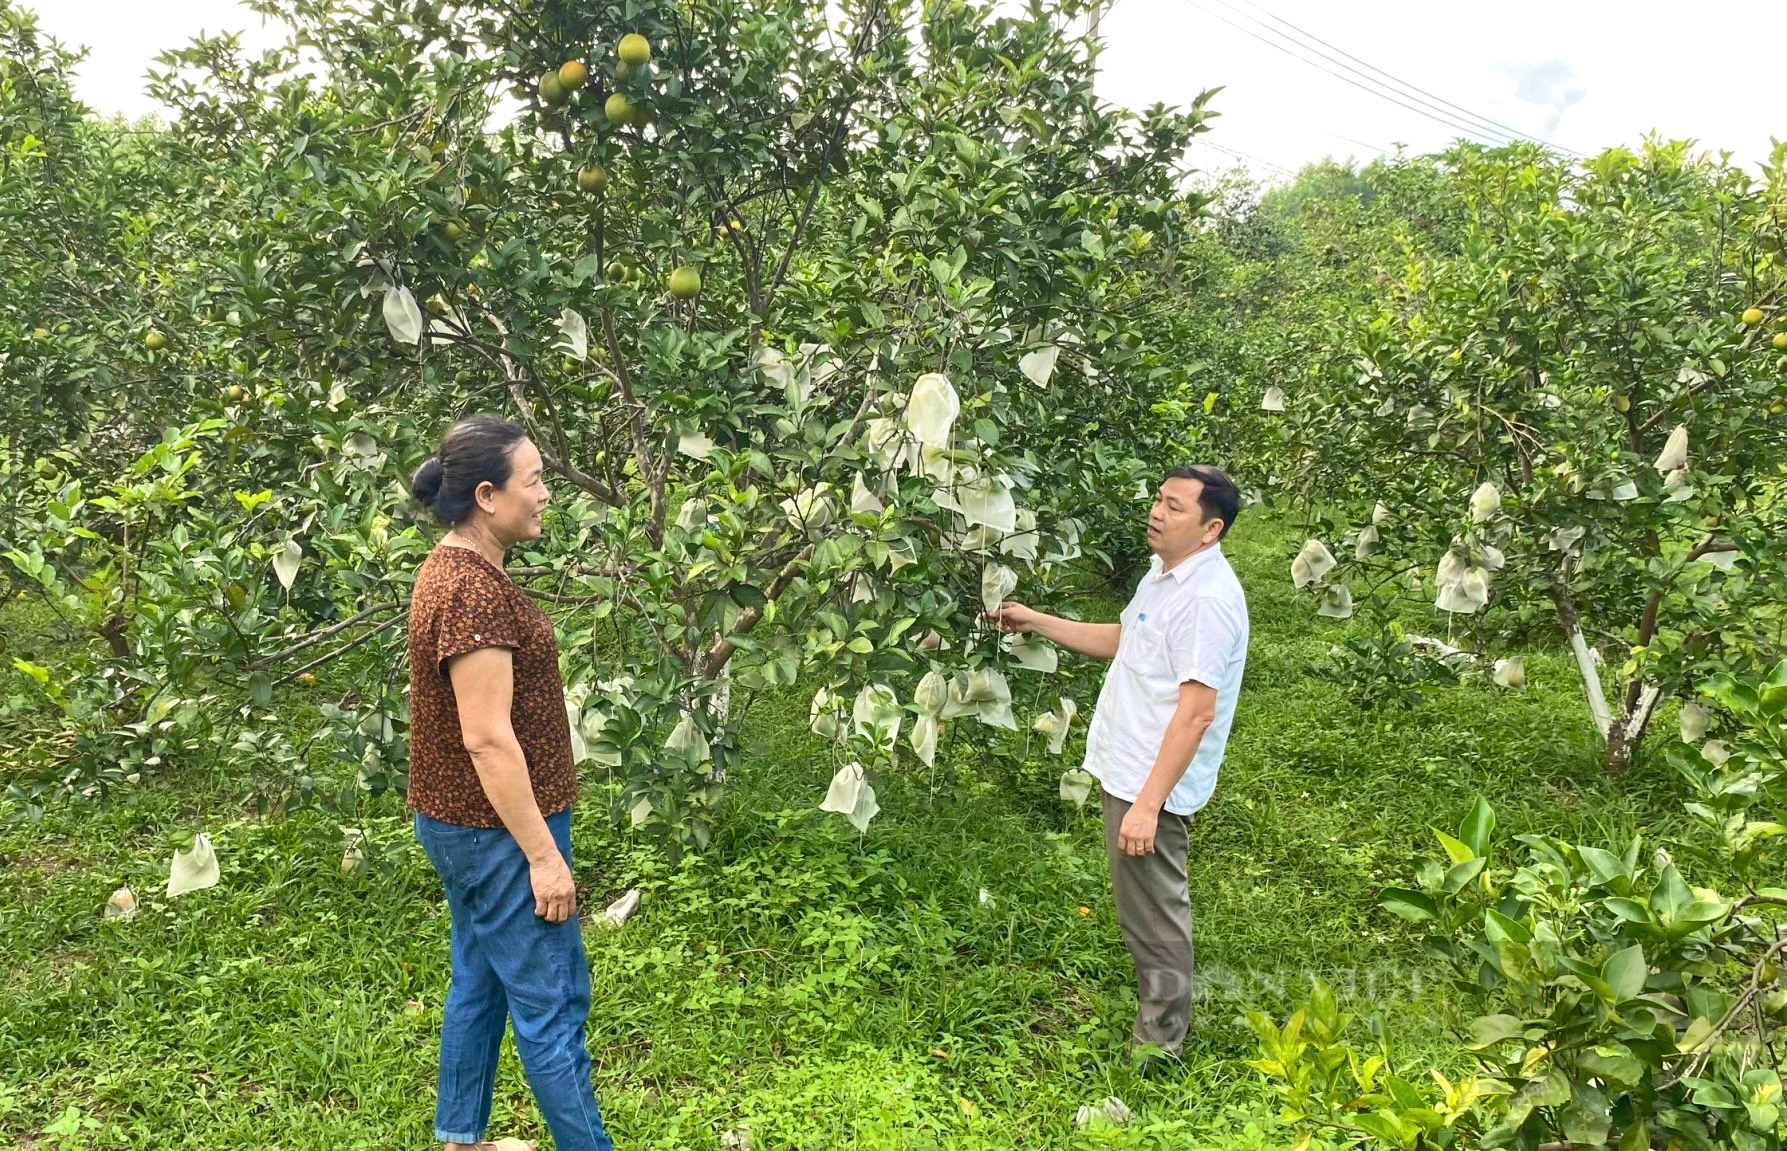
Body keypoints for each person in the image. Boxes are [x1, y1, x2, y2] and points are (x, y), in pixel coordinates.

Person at [989, 464, 1249, 1070]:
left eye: (1175, 507)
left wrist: (1149, 803)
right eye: (1158, 499)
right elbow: (1123, 639)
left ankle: (1158, 1051)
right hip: (1129, 767)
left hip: (1150, 781)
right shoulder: (1165, 575)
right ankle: (1160, 1030)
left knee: (1156, 918)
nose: (1158, 512)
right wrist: (1037, 621)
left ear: (1210, 529)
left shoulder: (1208, 601)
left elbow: (1196, 713)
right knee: (1144, 911)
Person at [405, 414, 615, 1151]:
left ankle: (460, 1138)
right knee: (550, 1002)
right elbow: (486, 737)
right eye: (535, 479)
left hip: (463, 824)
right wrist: (542, 854)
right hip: (495, 830)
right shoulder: (471, 594)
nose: (547, 493)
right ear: (488, 494)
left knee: (480, 980)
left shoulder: (458, 568)